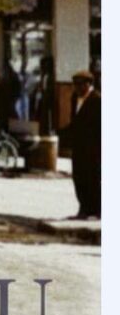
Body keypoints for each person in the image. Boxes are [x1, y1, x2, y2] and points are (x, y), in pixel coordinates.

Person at [60, 71, 101, 219]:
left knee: (93, 178)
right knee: (79, 177)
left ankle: (97, 210)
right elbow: (75, 122)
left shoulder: (97, 100)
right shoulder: (74, 98)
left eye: (80, 85)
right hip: (78, 146)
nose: (76, 88)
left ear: (88, 84)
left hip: (93, 147)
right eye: (75, 85)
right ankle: (83, 208)